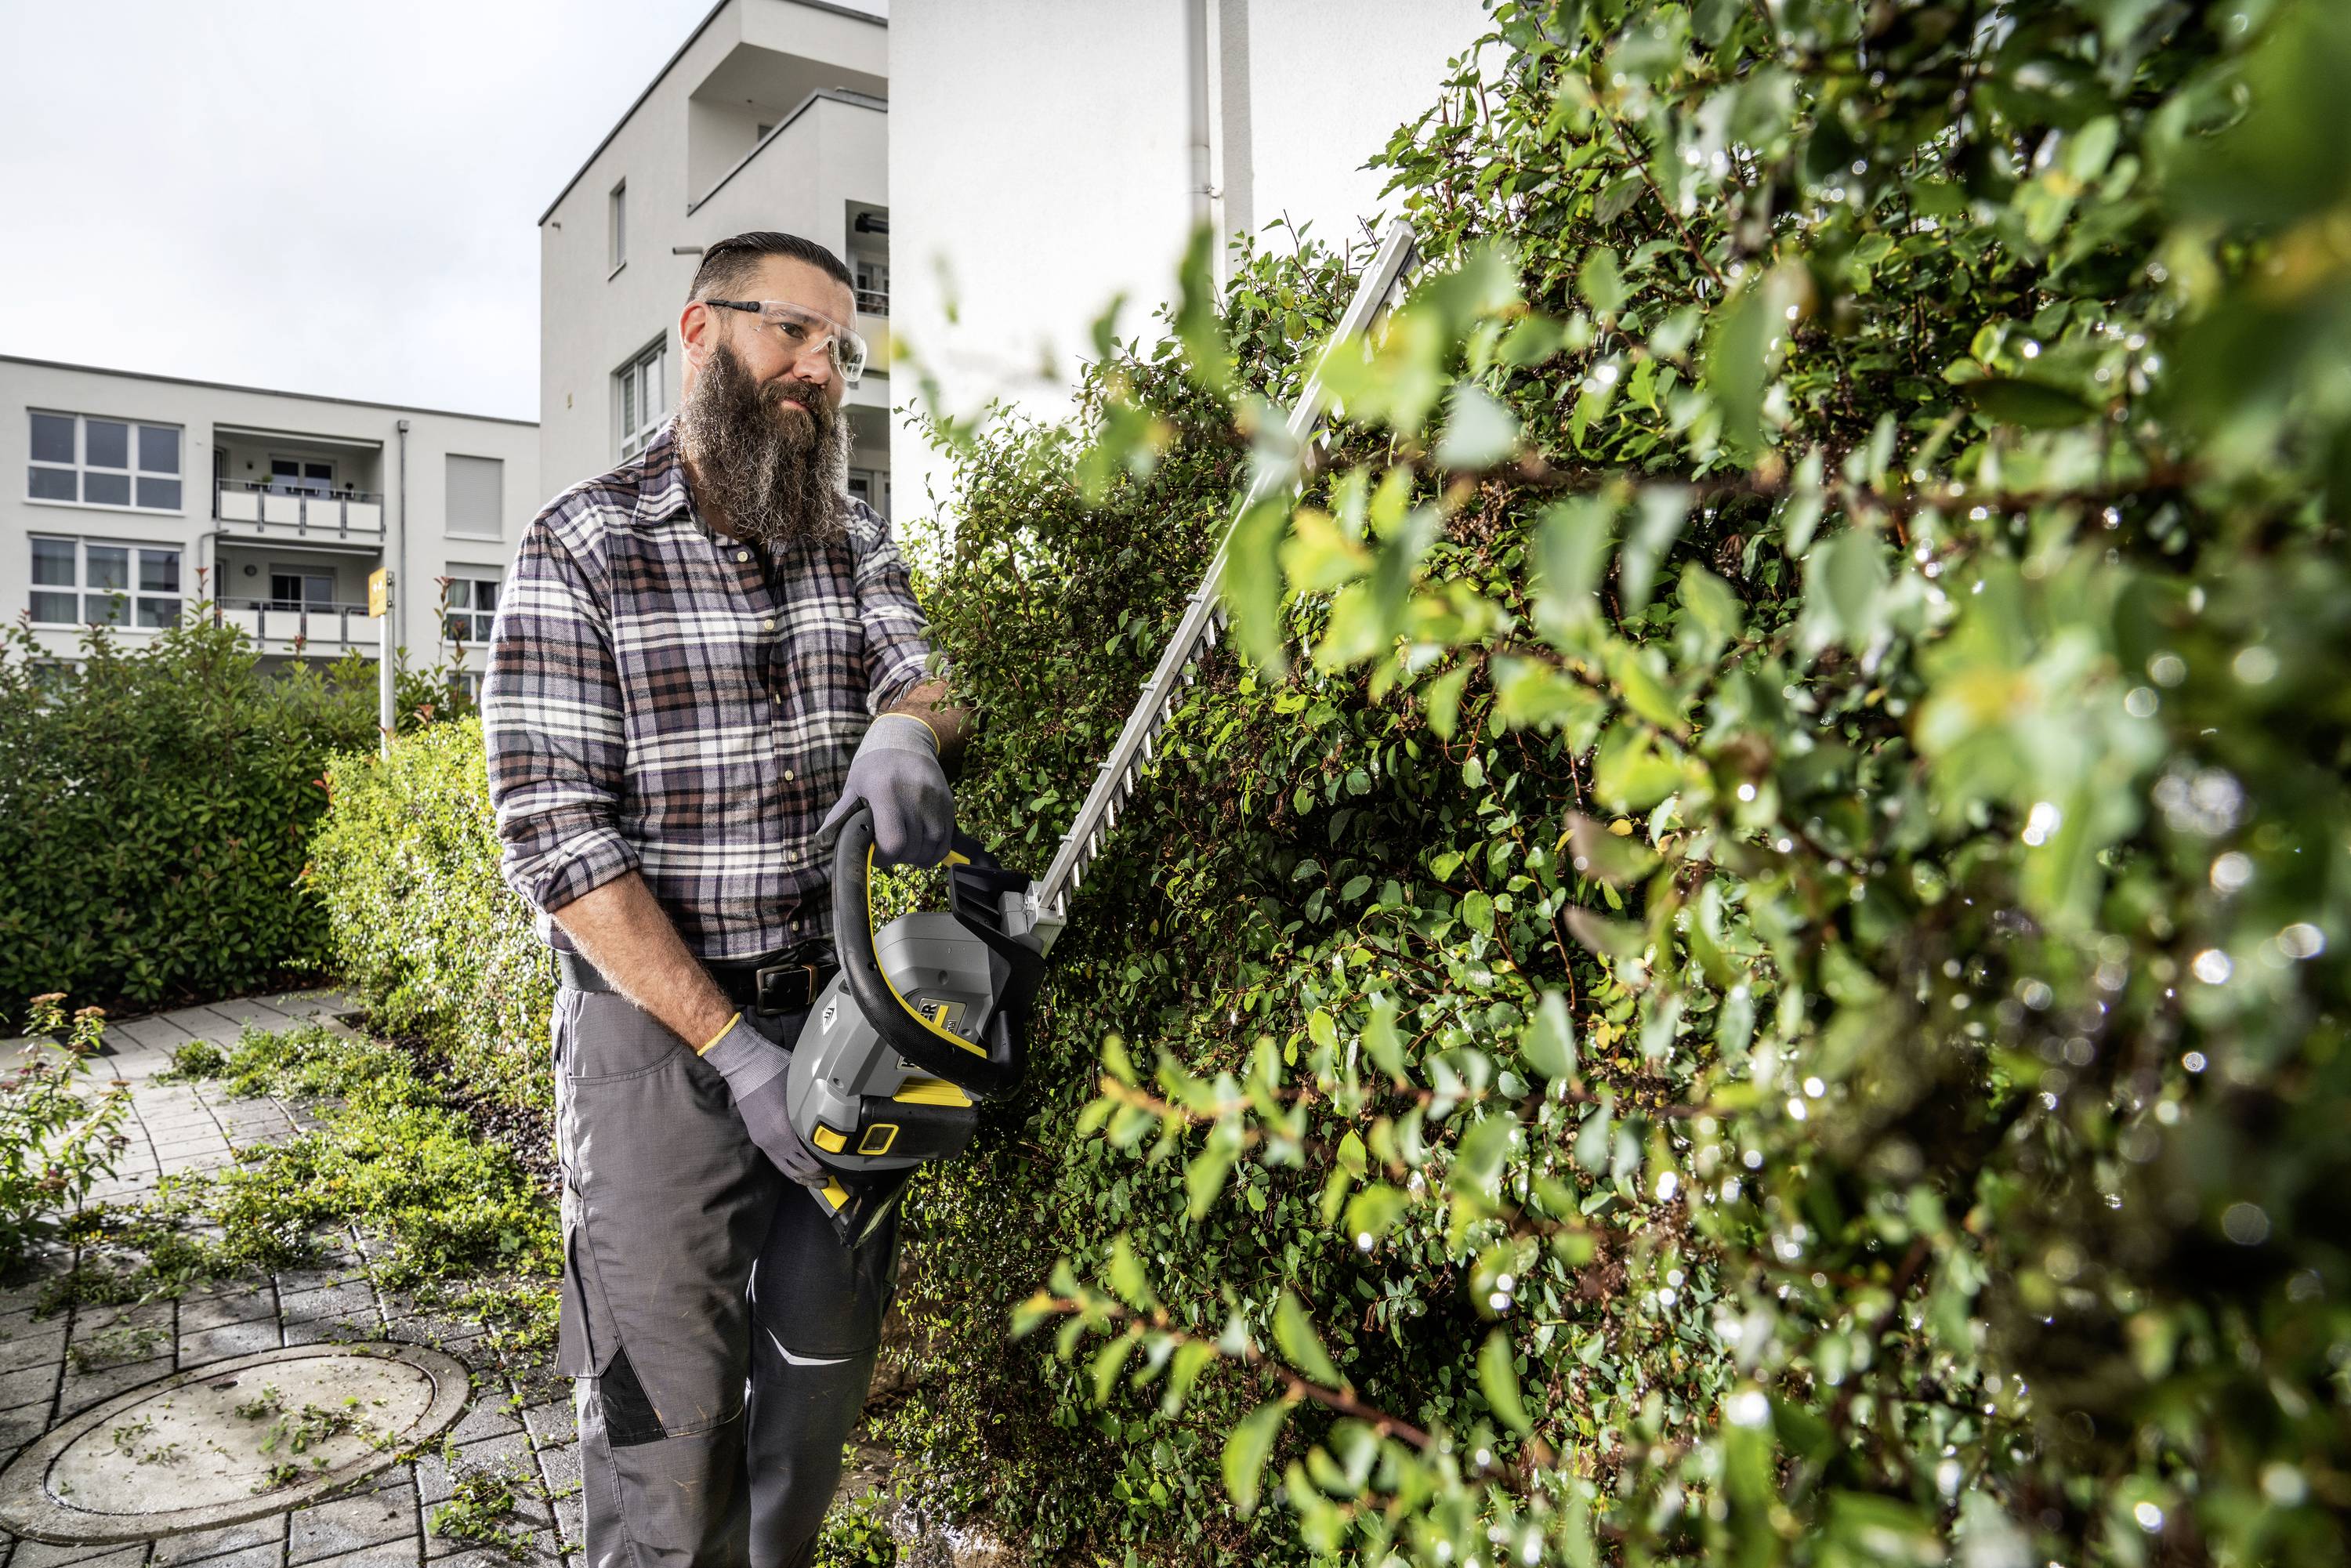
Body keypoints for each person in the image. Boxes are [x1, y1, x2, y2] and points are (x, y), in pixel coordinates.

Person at [483, 229, 965, 1568]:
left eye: (841, 350)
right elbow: (555, 835)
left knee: (809, 1415)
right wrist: (730, 1045)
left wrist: (909, 730)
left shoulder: (849, 531)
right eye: (793, 333)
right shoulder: (580, 547)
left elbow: (920, 668)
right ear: (701, 334)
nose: (822, 369)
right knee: (668, 1435)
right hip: (655, 1053)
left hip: (838, 1031)